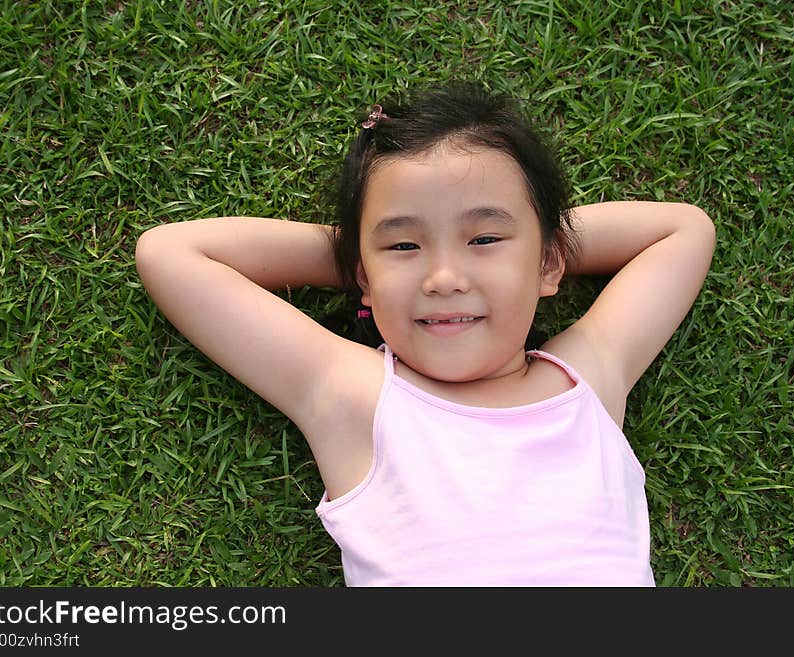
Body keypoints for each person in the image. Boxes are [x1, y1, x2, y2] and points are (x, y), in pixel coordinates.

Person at [134, 82, 716, 586]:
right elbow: (173, 254)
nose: (443, 278)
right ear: (363, 276)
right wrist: (360, 256)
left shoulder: (587, 375)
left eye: (484, 239)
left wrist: (536, 240)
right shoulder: (355, 396)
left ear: (548, 263)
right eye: (405, 246)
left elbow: (682, 231)